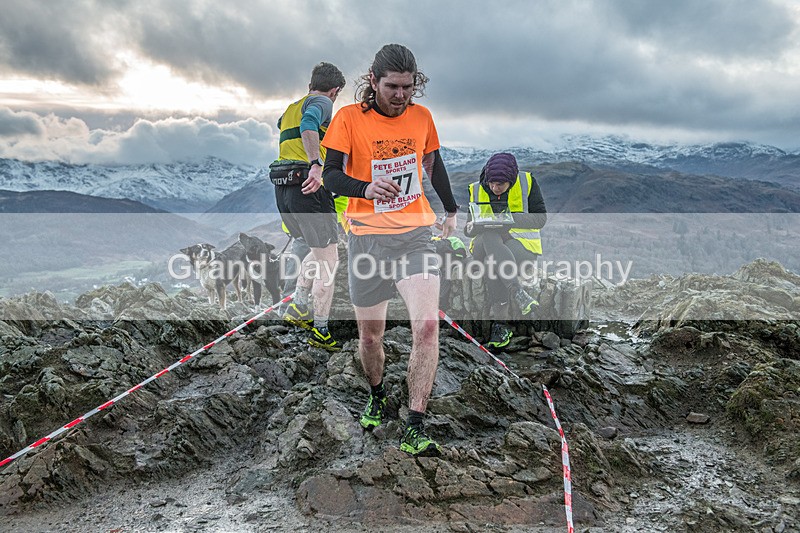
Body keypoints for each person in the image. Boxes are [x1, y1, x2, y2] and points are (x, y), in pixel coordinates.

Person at [322, 44, 458, 456]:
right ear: (373, 81)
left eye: (409, 86)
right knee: (370, 337)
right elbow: (330, 177)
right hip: (366, 238)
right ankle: (378, 393)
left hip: (415, 236)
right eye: (393, 87)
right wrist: (365, 188)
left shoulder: (422, 117)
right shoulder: (348, 118)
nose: (401, 95)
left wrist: (450, 208)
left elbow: (433, 165)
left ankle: (415, 422)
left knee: (427, 327)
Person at [272, 62, 346, 352]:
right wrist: (316, 164)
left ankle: (298, 307)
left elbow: (286, 127)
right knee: (330, 261)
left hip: (285, 190)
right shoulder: (322, 103)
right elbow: (309, 123)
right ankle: (322, 330)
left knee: (317, 253)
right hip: (310, 187)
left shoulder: (291, 107)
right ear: (334, 91)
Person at [465, 152, 546, 348]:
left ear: (511, 180)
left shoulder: (527, 182)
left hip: (519, 244)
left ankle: (500, 326)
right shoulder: (476, 189)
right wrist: (475, 226)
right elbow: (468, 229)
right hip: (483, 246)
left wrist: (508, 219)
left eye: (500, 184)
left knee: (491, 264)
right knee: (489, 237)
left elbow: (540, 219)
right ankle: (516, 291)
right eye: (492, 183)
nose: (495, 188)